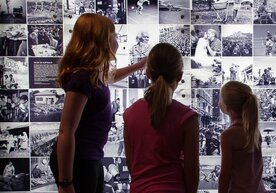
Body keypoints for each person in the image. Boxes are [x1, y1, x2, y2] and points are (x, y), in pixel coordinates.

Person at [49, 13, 147, 193]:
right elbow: (66, 132)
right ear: (102, 41)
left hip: (90, 157)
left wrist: (139, 65)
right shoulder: (82, 79)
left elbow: (108, 78)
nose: (118, 40)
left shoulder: (91, 74)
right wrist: (66, 183)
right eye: (114, 36)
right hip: (80, 160)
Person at [123, 43, 199, 193]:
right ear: (180, 76)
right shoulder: (187, 117)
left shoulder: (130, 114)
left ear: (147, 74)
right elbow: (192, 172)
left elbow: (133, 166)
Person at [218, 81, 266, 193]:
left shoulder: (228, 135)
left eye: (220, 98)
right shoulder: (254, 131)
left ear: (226, 105)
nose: (218, 102)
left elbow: (225, 174)